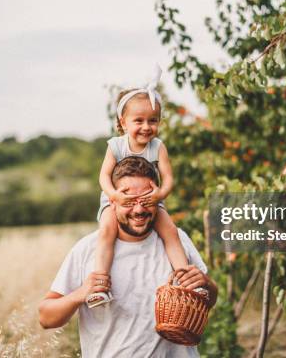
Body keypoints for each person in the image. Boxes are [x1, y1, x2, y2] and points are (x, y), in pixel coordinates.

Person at [39, 156, 217, 357]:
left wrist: (206, 284)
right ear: (112, 202)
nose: (139, 210)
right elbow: (46, 317)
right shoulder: (87, 249)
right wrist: (80, 294)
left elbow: (209, 300)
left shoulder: (178, 240)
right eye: (130, 202)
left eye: (147, 200)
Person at [86, 66, 190, 308]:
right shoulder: (116, 145)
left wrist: (160, 195)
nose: (146, 127)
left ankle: (186, 281)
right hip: (118, 202)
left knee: (171, 232)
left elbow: (168, 177)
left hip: (151, 199)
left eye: (152, 121)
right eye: (139, 121)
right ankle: (100, 285)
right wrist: (113, 196)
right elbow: (103, 176)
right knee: (107, 232)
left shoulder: (158, 147)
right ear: (123, 122)